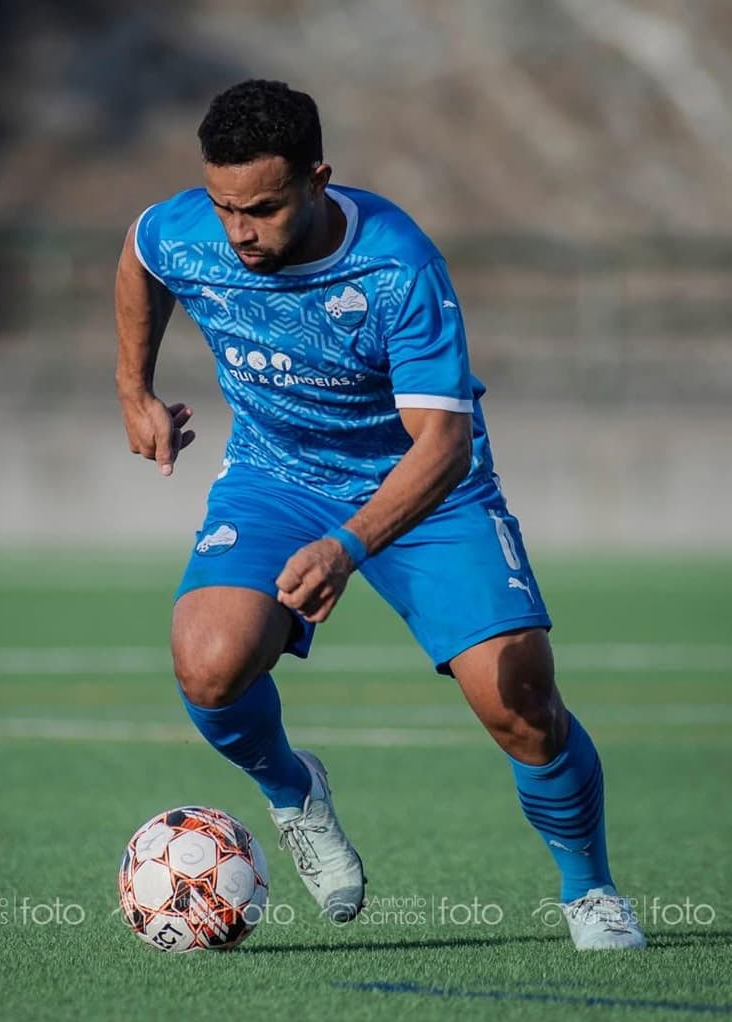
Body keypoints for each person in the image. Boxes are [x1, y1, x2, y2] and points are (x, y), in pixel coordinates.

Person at [114, 79, 645, 948]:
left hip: (423, 489)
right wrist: (133, 389)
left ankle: (590, 893)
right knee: (207, 665)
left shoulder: (397, 264)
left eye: (264, 209)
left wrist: (348, 545)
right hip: (275, 476)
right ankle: (294, 793)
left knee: (520, 699)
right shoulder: (192, 229)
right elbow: (140, 253)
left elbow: (441, 443)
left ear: (319, 179)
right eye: (224, 208)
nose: (239, 234)